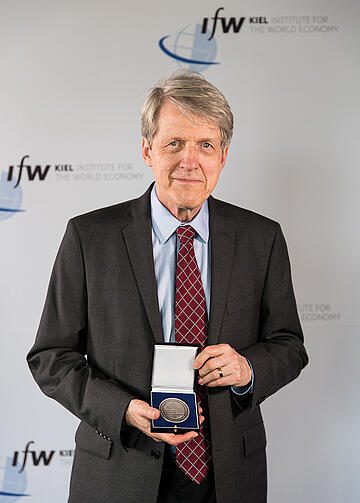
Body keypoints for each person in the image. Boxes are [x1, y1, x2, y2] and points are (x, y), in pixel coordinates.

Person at [27, 71, 308, 503]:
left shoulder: (261, 238)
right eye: (174, 143)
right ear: (147, 150)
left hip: (229, 474)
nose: (189, 160)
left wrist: (247, 370)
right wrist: (122, 410)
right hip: (120, 469)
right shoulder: (89, 237)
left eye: (205, 145)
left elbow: (288, 345)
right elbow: (51, 357)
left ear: (224, 156)